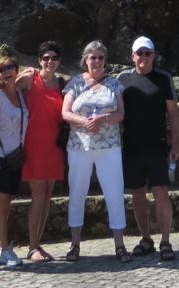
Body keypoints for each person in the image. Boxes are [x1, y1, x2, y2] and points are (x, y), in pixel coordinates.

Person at [61, 39, 130, 263]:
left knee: (114, 193)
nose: (97, 61)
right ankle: (74, 245)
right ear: (86, 60)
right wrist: (84, 121)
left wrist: (104, 119)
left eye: (101, 57)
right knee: (77, 193)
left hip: (108, 146)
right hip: (80, 146)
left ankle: (119, 245)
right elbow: (65, 112)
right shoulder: (75, 82)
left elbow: (121, 113)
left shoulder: (114, 84)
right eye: (93, 57)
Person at [118, 35, 179, 261]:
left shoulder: (164, 78)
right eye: (140, 53)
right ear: (132, 56)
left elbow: (173, 114)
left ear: (153, 55)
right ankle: (146, 239)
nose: (144, 57)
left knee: (161, 192)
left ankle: (165, 241)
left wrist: (175, 143)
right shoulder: (122, 79)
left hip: (157, 147)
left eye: (148, 53)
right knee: (137, 194)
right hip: (131, 148)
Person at [13, 40, 67, 262]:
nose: (50, 62)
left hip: (54, 146)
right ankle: (32, 246)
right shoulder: (30, 78)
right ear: (39, 60)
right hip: (33, 145)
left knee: (47, 198)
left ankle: (38, 243)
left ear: (59, 61)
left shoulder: (64, 84)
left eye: (54, 58)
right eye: (46, 58)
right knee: (38, 197)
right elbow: (5, 85)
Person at [0, 53, 30, 268]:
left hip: (15, 157)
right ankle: (3, 249)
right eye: (2, 70)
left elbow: (34, 74)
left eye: (10, 67)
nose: (7, 72)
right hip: (0, 157)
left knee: (7, 203)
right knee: (1, 205)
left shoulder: (20, 95)